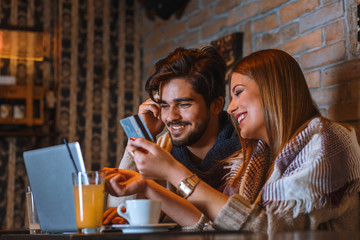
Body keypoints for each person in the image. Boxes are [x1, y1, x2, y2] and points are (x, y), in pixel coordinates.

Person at [102, 49, 360, 233]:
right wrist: (142, 162)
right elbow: (219, 226)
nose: (233, 107)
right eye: (164, 106)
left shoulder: (327, 139)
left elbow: (262, 229)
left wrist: (172, 172)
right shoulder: (259, 154)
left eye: (238, 93)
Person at [103, 46, 241, 224]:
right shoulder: (162, 149)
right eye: (165, 105)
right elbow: (119, 208)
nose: (171, 117)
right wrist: (142, 135)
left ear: (216, 105)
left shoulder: (244, 152)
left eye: (183, 104)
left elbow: (238, 224)